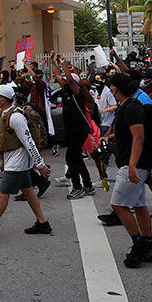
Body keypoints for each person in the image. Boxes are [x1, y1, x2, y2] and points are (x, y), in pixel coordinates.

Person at [0, 84, 52, 238]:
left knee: (3, 194)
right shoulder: (6, 114)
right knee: (29, 192)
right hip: (16, 162)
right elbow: (3, 139)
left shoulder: (15, 117)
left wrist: (40, 165)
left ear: (2, 99)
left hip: (17, 164)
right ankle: (42, 223)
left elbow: (28, 142)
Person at [98, 73, 152, 268]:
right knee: (139, 205)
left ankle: (139, 245)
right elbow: (129, 132)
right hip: (135, 162)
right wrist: (111, 138)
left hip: (134, 164)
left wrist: (132, 165)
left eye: (110, 87)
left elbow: (138, 137)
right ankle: (149, 247)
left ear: (115, 89)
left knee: (118, 206)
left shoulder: (131, 108)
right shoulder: (126, 106)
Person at [50, 53, 94, 199]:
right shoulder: (66, 92)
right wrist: (53, 62)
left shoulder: (77, 93)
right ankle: (88, 185)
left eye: (66, 81)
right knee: (77, 158)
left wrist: (63, 65)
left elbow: (69, 79)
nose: (62, 81)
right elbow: (57, 76)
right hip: (72, 130)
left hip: (78, 129)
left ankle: (78, 187)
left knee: (71, 158)